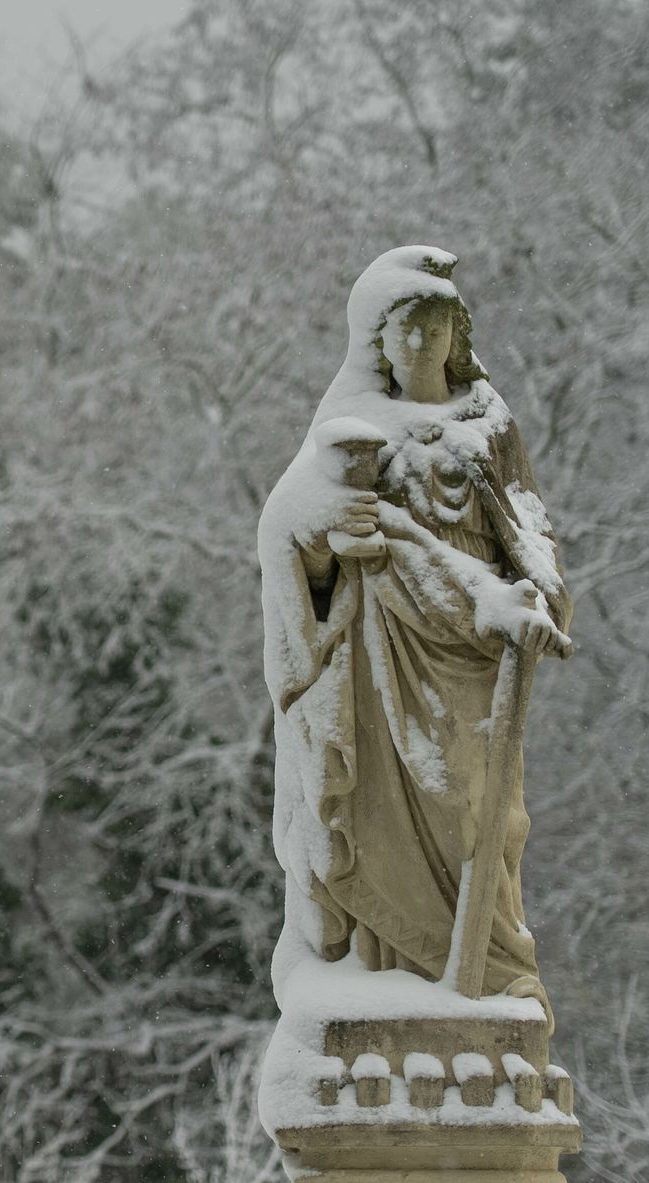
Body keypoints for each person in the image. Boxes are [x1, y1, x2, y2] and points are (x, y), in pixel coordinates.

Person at [258, 246, 570, 1004]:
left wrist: (536, 594)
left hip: (473, 659)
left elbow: (530, 531)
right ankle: (389, 969)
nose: (419, 344)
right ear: (379, 341)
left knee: (475, 809)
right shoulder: (351, 424)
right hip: (379, 657)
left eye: (434, 328)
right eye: (404, 329)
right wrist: (329, 535)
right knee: (380, 814)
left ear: (456, 337)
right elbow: (287, 532)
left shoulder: (487, 423)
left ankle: (488, 969)